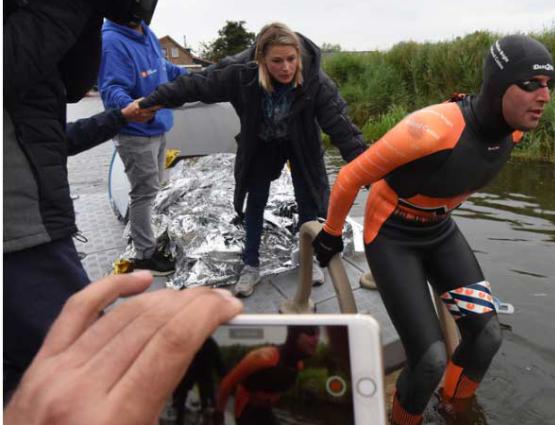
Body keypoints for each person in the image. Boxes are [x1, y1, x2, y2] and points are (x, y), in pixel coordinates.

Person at [312, 35, 555, 424]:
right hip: (391, 234)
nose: (544, 96)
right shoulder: (430, 129)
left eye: (547, 85)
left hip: (439, 232)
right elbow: (351, 176)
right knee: (429, 359)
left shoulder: (514, 132)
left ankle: (455, 409)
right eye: (530, 84)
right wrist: (331, 232)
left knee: (487, 336)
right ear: (497, 85)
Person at [3, 0, 160, 401]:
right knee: (95, 384)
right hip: (20, 235)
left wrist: (120, 117)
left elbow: (61, 125)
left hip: (36, 225)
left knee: (27, 390)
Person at [138, 22, 367, 297]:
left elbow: (343, 130)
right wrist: (152, 101)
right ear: (261, 60)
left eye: (291, 59)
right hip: (262, 142)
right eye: (277, 61)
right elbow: (198, 85)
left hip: (302, 142)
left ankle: (309, 261)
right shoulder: (240, 73)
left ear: (298, 56)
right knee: (255, 200)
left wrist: (372, 174)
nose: (286, 68)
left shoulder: (315, 80)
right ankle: (251, 265)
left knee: (308, 200)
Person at [2, 270, 244, 425]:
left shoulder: (206, 345)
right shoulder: (212, 346)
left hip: (187, 378)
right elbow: (220, 368)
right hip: (195, 378)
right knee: (195, 399)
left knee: (184, 399)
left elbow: (218, 367)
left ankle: (185, 414)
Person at [97, 12, 189, 275]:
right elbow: (111, 88)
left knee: (154, 186)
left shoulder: (145, 31)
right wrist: (132, 108)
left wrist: (191, 78)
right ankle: (145, 254)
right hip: (135, 133)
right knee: (143, 192)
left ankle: (147, 236)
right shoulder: (111, 41)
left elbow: (162, 67)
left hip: (158, 126)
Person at [215, 326, 320, 425]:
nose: (316, 338)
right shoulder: (264, 358)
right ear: (294, 336)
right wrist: (219, 415)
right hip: (246, 413)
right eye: (310, 332)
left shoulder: (298, 366)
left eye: (318, 334)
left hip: (265, 411)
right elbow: (227, 383)